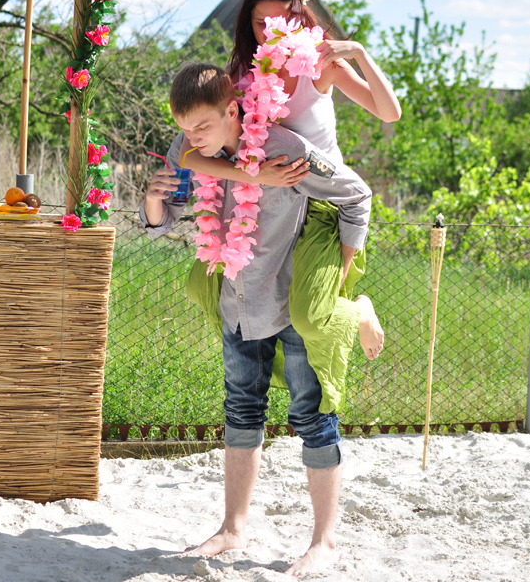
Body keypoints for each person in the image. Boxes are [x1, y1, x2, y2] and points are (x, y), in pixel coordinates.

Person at [141, 63, 383, 576]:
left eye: (202, 126)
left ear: (233, 110)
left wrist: (340, 274)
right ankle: (232, 529)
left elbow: (357, 196)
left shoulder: (285, 149)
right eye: (183, 128)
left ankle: (324, 541)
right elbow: (162, 224)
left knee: (312, 417)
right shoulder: (187, 149)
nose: (191, 137)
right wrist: (153, 199)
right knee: (241, 411)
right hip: (237, 301)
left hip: (289, 296)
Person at [179, 0, 399, 396]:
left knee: (309, 315)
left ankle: (357, 309)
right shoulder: (241, 73)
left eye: (281, 21)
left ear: (299, 18)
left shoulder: (322, 65)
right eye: (261, 23)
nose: (271, 32)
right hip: (270, 206)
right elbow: (190, 151)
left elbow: (390, 113)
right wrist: (250, 175)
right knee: (205, 285)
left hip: (324, 204)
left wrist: (357, 52)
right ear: (248, 24)